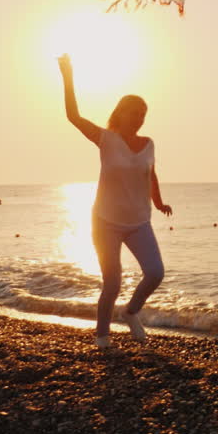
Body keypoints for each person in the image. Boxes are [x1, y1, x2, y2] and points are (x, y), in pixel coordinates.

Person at [58, 54, 173, 349]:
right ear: (120, 113)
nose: (139, 118)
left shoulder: (149, 144)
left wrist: (159, 202)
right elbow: (73, 116)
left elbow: (151, 174)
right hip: (105, 221)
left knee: (155, 273)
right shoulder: (105, 138)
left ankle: (131, 312)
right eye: (134, 113)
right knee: (112, 283)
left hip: (139, 222)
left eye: (143, 114)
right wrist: (68, 76)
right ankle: (102, 337)